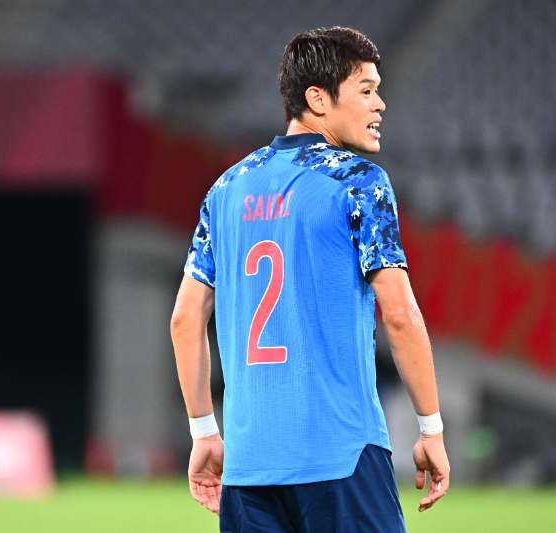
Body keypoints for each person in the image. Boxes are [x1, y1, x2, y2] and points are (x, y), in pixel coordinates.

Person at [171, 27, 450, 532]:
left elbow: (185, 319)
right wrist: (430, 427)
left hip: (248, 469)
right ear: (318, 99)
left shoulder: (226, 189)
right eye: (366, 90)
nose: (380, 104)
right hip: (340, 456)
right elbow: (400, 315)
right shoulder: (359, 182)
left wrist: (203, 432)